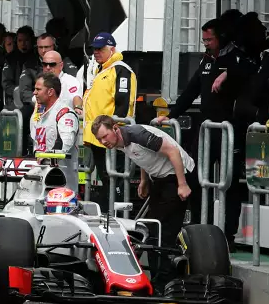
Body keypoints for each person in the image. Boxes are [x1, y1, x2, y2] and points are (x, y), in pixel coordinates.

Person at [154, 19, 244, 244]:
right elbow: (192, 90)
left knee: (229, 183)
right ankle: (199, 228)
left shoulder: (236, 58)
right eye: (203, 40)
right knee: (194, 177)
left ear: (221, 37)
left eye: (209, 39)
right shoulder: (206, 59)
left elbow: (249, 73)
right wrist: (172, 114)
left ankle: (228, 236)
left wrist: (228, 75)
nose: (206, 43)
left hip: (230, 130)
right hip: (206, 130)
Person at [91, 115, 196, 281]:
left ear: (116, 128)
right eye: (99, 139)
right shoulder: (119, 142)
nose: (103, 142)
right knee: (150, 228)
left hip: (177, 175)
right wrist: (144, 180)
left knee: (159, 229)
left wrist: (182, 184)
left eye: (105, 136)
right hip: (159, 177)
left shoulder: (138, 135)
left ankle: (163, 280)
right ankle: (157, 277)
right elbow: (141, 157)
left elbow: (173, 151)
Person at [81, 32, 136, 211]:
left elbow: (123, 103)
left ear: (111, 49)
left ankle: (119, 216)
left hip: (113, 137)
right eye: (94, 49)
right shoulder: (101, 69)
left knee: (115, 178)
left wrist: (114, 132)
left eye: (100, 49)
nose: (96, 52)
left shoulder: (120, 69)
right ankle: (108, 214)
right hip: (98, 137)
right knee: (105, 178)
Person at [32, 73, 80, 192]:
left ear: (50, 92)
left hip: (62, 183)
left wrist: (46, 155)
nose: (34, 92)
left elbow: (65, 145)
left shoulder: (64, 113)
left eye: (38, 89)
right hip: (43, 179)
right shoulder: (41, 115)